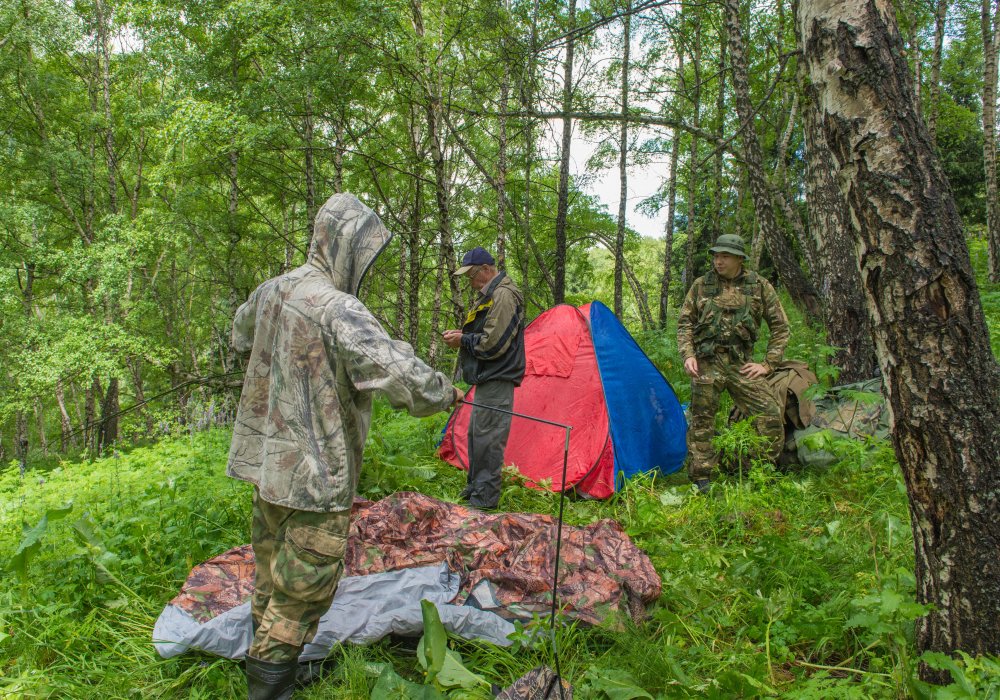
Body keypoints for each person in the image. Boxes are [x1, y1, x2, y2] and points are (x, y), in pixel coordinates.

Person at [227, 193, 463, 699]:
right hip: (314, 476)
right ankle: (268, 685)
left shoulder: (273, 289)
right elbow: (402, 377)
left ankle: (266, 660)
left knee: (271, 573)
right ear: (345, 246)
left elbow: (241, 333)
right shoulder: (338, 309)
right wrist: (446, 392)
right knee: (304, 588)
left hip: (267, 466)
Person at [676, 233, 790, 492]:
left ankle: (759, 469)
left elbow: (781, 327)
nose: (718, 261)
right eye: (716, 255)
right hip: (707, 362)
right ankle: (701, 476)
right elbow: (684, 324)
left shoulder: (759, 286)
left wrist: (768, 364)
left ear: (739, 258)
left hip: (742, 364)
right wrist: (689, 354)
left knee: (770, 414)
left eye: (724, 256)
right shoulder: (701, 285)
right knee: (702, 419)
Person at [442, 247, 525, 510]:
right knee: (477, 436)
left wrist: (463, 340)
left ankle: (484, 502)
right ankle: (475, 488)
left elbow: (494, 344)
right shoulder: (490, 294)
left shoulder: (503, 295)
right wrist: (463, 335)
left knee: (489, 441)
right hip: (486, 379)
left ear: (487, 270)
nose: (470, 281)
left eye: (472, 275)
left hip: (497, 378)